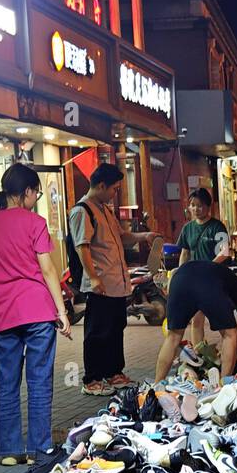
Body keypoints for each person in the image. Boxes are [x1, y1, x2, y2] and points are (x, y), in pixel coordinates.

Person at [0, 165, 71, 466]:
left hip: (2, 313)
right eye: (35, 191)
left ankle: (9, 450)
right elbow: (48, 269)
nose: (37, 197)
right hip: (38, 312)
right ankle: (40, 448)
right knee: (39, 381)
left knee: (7, 381)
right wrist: (61, 310)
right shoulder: (34, 222)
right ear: (25, 191)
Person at [67, 163, 157, 396]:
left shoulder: (105, 209)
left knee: (116, 329)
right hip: (100, 285)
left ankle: (114, 373)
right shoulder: (82, 211)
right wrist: (94, 278)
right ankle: (92, 379)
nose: (115, 193)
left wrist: (143, 236)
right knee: (97, 332)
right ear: (101, 185)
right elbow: (82, 247)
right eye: (114, 189)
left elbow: (122, 237)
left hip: (117, 283)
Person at [153, 259, 237, 381]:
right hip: (206, 283)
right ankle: (223, 386)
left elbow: (197, 317)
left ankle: (157, 386)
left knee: (173, 337)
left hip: (179, 277)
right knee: (230, 334)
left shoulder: (219, 273)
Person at [174, 187, 230, 348]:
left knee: (221, 320)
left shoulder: (217, 227)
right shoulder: (188, 228)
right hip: (195, 280)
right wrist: (181, 275)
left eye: (199, 205)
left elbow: (224, 252)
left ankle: (228, 348)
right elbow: (184, 253)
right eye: (192, 205)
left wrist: (209, 267)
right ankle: (199, 354)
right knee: (196, 320)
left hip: (213, 279)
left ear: (208, 206)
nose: (195, 209)